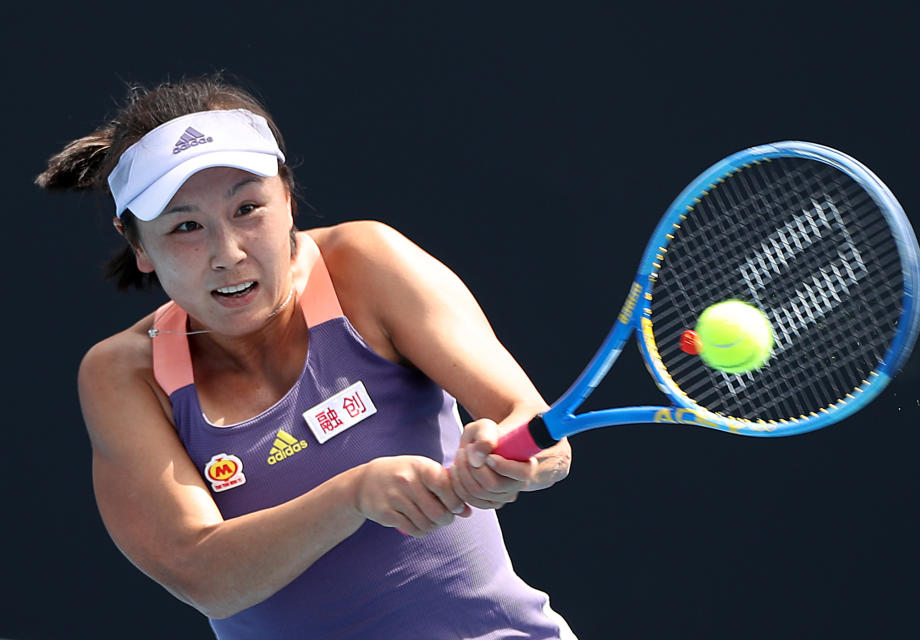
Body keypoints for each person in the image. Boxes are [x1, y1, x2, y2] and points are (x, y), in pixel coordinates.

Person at [36, 75, 575, 639]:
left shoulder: (365, 264)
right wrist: (354, 494)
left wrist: (513, 460)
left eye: (248, 208)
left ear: (287, 198)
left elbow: (534, 426)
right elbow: (205, 577)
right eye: (186, 226)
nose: (229, 253)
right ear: (138, 245)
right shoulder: (124, 375)